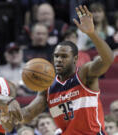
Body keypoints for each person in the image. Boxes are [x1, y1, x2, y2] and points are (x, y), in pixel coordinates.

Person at [18, 5, 114, 134]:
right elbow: (29, 113)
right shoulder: (48, 86)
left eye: (64, 56)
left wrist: (92, 34)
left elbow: (107, 59)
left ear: (75, 59)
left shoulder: (84, 74)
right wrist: (11, 115)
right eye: (56, 56)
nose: (59, 60)